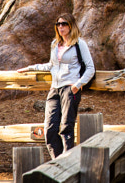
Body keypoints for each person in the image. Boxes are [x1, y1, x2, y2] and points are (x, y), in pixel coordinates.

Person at [18, 12, 95, 158]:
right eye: (58, 24)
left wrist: (78, 85)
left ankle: (67, 162)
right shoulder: (55, 44)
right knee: (50, 129)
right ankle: (57, 162)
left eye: (64, 23)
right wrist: (30, 68)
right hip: (54, 89)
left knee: (66, 128)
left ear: (71, 26)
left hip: (70, 89)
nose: (61, 26)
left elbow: (90, 68)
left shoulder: (79, 43)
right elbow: (51, 66)